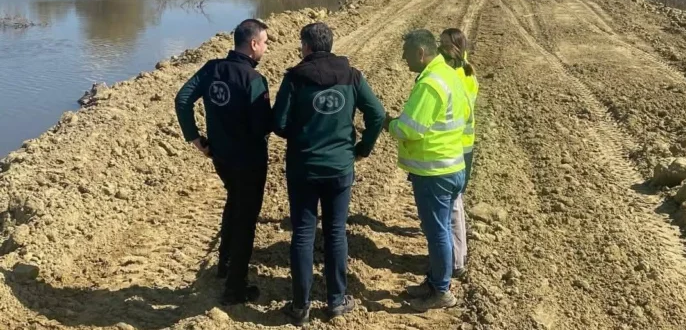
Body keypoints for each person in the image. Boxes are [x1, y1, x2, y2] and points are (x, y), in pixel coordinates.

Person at [273, 22, 386, 325]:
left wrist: (302, 133)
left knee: (303, 233)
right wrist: (362, 148)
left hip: (303, 167)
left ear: (307, 46)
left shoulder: (295, 78)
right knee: (335, 232)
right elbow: (376, 114)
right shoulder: (352, 76)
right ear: (330, 45)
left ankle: (300, 307)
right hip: (340, 167)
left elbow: (279, 123)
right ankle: (336, 301)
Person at [174, 18, 272, 306]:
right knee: (246, 220)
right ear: (253, 44)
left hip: (220, 156)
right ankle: (235, 288)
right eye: (265, 42)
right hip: (249, 160)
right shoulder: (254, 80)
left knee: (234, 201)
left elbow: (182, 100)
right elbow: (262, 126)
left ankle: (224, 264)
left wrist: (195, 138)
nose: (265, 48)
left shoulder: (211, 69)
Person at [384, 29, 470, 312]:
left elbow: (411, 128)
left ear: (421, 54)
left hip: (435, 173)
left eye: (406, 53)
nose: (403, 59)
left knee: (438, 233)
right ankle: (435, 281)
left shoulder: (431, 83)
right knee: (441, 229)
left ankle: (441, 291)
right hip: (451, 165)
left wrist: (389, 124)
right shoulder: (448, 75)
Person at [438, 28, 478, 279]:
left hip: (454, 146)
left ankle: (454, 260)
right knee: (456, 203)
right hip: (465, 145)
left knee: (452, 206)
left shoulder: (453, 75)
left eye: (442, 44)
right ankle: (457, 255)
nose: (438, 48)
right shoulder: (469, 72)